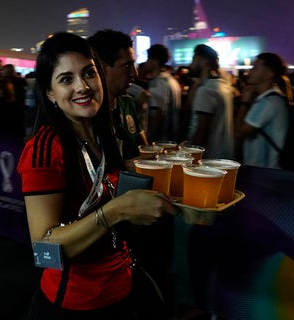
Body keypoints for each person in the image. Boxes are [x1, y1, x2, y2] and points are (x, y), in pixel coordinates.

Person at [17, 32, 176, 319]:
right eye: (66, 79)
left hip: (122, 283)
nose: (83, 86)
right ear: (50, 93)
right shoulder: (45, 148)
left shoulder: (103, 134)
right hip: (75, 303)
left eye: (89, 73)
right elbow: (44, 249)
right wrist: (115, 211)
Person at [87, 29, 148, 160]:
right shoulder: (88, 112)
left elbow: (144, 150)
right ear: (102, 69)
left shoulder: (127, 103)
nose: (135, 73)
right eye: (127, 65)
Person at [235, 52, 289, 169]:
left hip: (264, 171)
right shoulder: (271, 98)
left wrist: (244, 102)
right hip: (262, 170)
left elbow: (238, 133)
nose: (250, 71)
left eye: (255, 68)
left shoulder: (268, 102)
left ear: (269, 74)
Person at [186, 44, 235, 159]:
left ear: (203, 61)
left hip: (209, 158)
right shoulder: (223, 85)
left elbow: (201, 129)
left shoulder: (206, 91)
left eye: (194, 59)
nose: (191, 64)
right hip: (223, 155)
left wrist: (193, 157)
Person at [144, 44, 183, 143]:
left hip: (161, 141)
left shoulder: (157, 83)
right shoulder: (172, 81)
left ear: (155, 61)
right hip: (172, 139)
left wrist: (148, 140)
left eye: (148, 58)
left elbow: (157, 114)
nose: (146, 62)